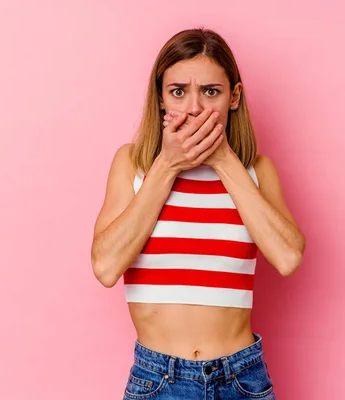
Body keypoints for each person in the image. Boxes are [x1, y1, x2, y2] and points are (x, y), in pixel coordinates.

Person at [91, 28, 305, 400]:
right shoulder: (132, 165)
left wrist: (224, 161)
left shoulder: (257, 171)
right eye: (178, 92)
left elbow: (288, 258)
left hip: (242, 379)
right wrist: (167, 167)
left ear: (233, 97)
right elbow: (106, 266)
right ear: (160, 98)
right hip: (158, 380)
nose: (194, 108)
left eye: (211, 91)